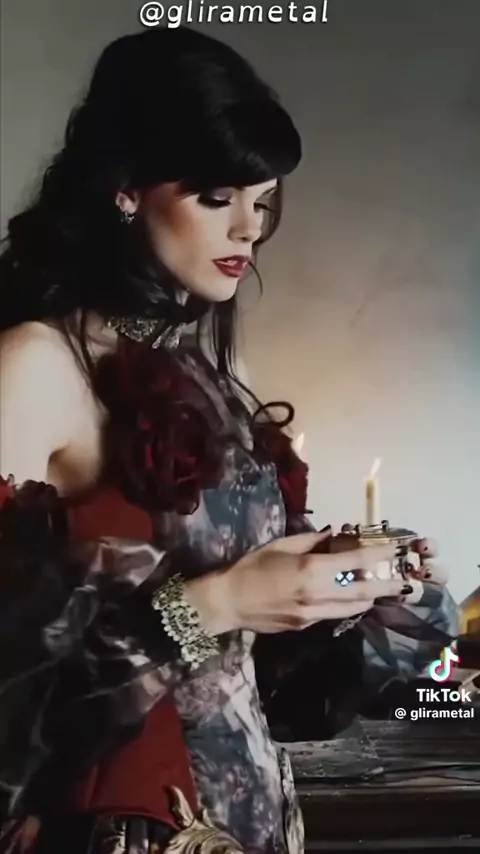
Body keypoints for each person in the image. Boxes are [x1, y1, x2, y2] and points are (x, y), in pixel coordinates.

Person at [0, 25, 458, 854]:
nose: (248, 229)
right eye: (217, 198)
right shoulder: (36, 365)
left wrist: (356, 589)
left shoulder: (207, 370)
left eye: (262, 201)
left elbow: (267, 689)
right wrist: (221, 601)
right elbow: (15, 703)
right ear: (127, 189)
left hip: (256, 819)